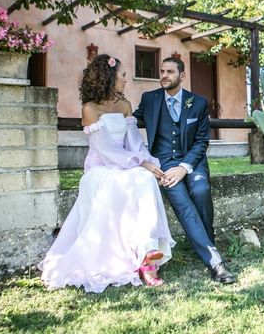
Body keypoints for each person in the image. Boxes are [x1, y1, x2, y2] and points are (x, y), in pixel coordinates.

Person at [39, 54, 174, 293]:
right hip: (101, 167)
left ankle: (147, 254)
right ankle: (137, 256)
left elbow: (134, 143)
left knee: (144, 178)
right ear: (109, 77)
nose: (125, 80)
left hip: (127, 164)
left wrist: (147, 162)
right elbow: (106, 150)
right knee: (135, 178)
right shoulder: (90, 109)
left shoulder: (124, 106)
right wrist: (138, 165)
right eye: (122, 75)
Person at [134, 56, 236, 284]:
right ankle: (215, 263)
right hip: (164, 167)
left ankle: (206, 241)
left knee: (200, 190)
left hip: (192, 162)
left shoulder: (198, 103)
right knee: (184, 204)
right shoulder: (149, 100)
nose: (164, 75)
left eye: (170, 72)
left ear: (182, 76)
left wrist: (184, 167)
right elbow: (129, 125)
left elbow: (202, 141)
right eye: (161, 71)